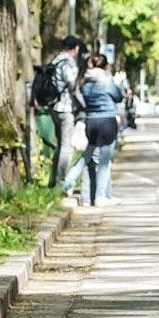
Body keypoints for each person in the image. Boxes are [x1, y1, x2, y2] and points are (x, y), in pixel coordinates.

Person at [74, 53, 125, 207]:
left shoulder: (84, 80)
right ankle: (101, 196)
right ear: (104, 66)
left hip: (90, 120)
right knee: (103, 161)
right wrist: (117, 83)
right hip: (106, 121)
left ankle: (85, 196)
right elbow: (118, 97)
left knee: (88, 159)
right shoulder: (105, 80)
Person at [41, 36, 83, 195]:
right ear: (76, 48)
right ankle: (61, 182)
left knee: (60, 145)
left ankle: (54, 180)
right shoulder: (68, 63)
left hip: (54, 107)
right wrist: (83, 104)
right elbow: (74, 86)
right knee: (66, 146)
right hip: (65, 108)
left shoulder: (56, 60)